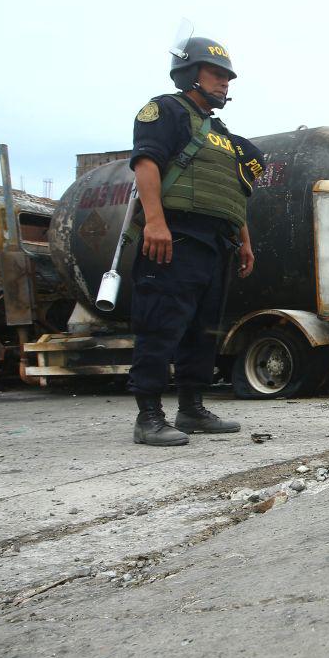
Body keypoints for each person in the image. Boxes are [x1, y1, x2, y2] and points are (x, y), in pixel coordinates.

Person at [128, 36, 262, 446]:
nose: (225, 83)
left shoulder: (223, 134)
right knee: (162, 325)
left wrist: (244, 241)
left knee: (203, 330)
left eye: (227, 77)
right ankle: (148, 416)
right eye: (217, 74)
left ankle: (191, 409)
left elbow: (234, 192)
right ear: (190, 74)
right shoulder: (166, 111)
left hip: (216, 242)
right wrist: (155, 222)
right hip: (175, 236)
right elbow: (147, 164)